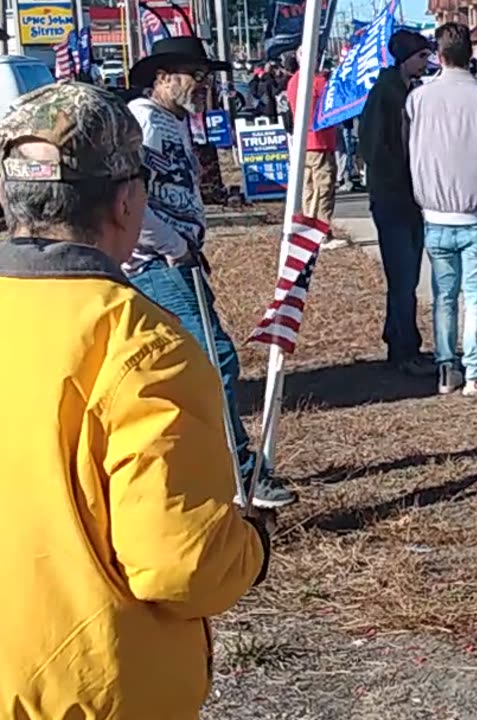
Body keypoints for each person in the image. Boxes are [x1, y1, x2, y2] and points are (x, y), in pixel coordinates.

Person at [0, 82, 270, 718]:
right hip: (87, 688)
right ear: (126, 202)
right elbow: (177, 563)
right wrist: (250, 548)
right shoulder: (142, 346)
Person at [124, 36, 298, 508]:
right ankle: (239, 470)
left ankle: (189, 467)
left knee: (174, 367)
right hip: (157, 262)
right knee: (214, 358)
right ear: (162, 77)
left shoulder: (175, 123)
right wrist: (174, 245)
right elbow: (130, 202)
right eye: (191, 76)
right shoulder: (143, 122)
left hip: (179, 256)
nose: (201, 85)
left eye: (203, 77)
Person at [405, 22, 477, 397]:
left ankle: (446, 369)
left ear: (437, 56)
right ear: (471, 55)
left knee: (444, 295)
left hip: (434, 212)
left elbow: (408, 148)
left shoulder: (416, 99)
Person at [360, 29, 435, 377]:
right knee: (403, 278)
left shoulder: (408, 91)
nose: (426, 63)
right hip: (393, 200)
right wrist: (405, 179)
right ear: (405, 58)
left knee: (408, 278)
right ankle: (405, 350)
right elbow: (376, 151)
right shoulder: (385, 96)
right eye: (421, 57)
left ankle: (400, 338)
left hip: (410, 199)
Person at [286, 60, 339, 231]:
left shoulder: (294, 80)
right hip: (320, 141)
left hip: (304, 142)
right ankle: (323, 231)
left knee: (308, 189)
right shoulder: (316, 81)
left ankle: (308, 229)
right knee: (324, 187)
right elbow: (332, 98)